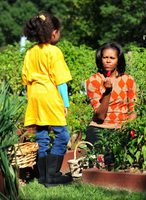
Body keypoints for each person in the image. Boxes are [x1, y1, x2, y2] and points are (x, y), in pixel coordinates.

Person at [22, 12, 72, 186]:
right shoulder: (54, 51)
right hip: (50, 96)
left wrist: (32, 100)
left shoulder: (30, 52)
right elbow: (61, 81)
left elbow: (26, 79)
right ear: (53, 33)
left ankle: (43, 176)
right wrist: (65, 103)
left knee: (42, 135)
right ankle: (53, 175)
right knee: (63, 135)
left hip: (34, 96)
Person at [85, 42, 137, 160]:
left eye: (112, 58)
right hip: (100, 128)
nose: (108, 61)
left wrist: (126, 126)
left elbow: (133, 110)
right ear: (100, 59)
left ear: (118, 60)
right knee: (101, 159)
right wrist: (107, 92)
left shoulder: (128, 80)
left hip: (121, 128)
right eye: (105, 57)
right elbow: (100, 116)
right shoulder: (94, 80)